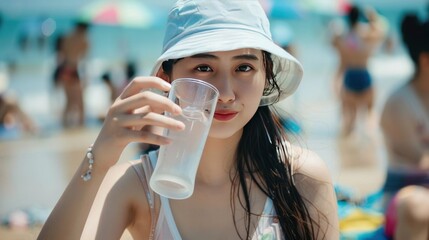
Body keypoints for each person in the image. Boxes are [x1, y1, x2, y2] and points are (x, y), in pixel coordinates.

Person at [38, 1, 338, 239]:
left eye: (244, 67)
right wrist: (100, 158)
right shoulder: (138, 187)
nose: (225, 93)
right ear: (166, 79)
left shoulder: (299, 178)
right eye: (204, 67)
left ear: (266, 77)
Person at [380, 13, 429, 239]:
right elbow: (421, 161)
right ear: (425, 59)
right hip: (404, 200)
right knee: (417, 208)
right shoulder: (399, 103)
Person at [331, 5, 386, 137]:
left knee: (350, 117)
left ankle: (347, 145)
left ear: (347, 18)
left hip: (350, 76)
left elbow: (333, 43)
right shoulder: (365, 34)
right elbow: (381, 31)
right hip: (363, 74)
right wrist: (372, 16)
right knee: (370, 114)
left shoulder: (343, 36)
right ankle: (371, 144)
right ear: (359, 17)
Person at [53, 21, 89, 128]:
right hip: (73, 70)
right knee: (80, 103)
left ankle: (64, 126)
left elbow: (61, 55)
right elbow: (84, 57)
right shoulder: (83, 39)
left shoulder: (66, 37)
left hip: (64, 69)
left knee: (69, 101)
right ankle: (81, 127)